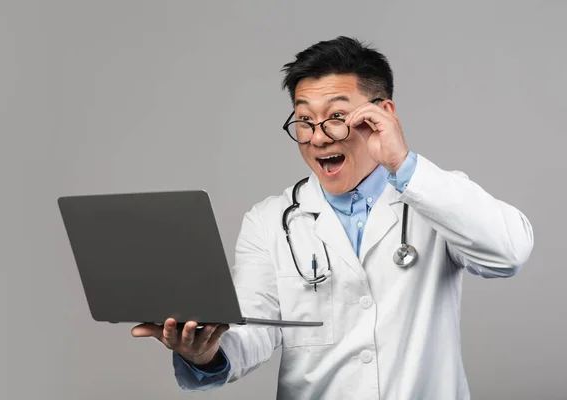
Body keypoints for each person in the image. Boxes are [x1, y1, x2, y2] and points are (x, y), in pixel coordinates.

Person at [131, 36, 534, 399]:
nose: (318, 136)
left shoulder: (436, 196)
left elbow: (508, 253)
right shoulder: (270, 221)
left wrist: (403, 164)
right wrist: (206, 353)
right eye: (304, 120)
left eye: (336, 117)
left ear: (383, 114)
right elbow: (253, 330)